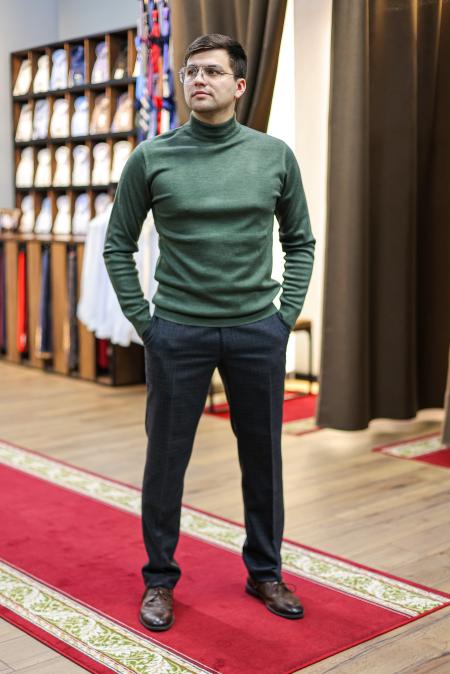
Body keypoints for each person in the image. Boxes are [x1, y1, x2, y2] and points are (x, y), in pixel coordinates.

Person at [103, 32, 315, 632]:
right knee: (166, 463)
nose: (198, 79)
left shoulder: (274, 156)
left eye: (213, 71)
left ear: (239, 85)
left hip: (256, 332)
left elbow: (300, 241)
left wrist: (283, 317)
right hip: (178, 333)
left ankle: (265, 571)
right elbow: (118, 245)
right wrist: (147, 324)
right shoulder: (152, 157)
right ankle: (159, 580)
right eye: (191, 71)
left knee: (263, 459)